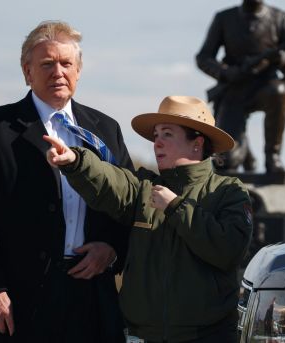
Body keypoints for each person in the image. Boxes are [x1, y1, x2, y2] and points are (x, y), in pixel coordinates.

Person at [0, 21, 132, 342]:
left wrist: (113, 249)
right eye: (46, 64)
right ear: (27, 71)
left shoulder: (106, 130)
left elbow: (128, 203)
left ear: (78, 70)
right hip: (14, 301)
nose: (57, 72)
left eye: (66, 64)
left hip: (90, 298)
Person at [44, 95, 253, 342]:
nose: (157, 143)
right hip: (144, 337)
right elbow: (112, 181)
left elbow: (228, 250)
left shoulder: (228, 191)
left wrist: (175, 206)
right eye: (156, 136)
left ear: (196, 143)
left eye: (167, 134)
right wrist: (76, 161)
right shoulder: (145, 187)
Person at [196, 0, 285, 174]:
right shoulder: (224, 18)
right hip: (234, 90)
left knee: (279, 92)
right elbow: (203, 57)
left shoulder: (281, 18)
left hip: (266, 86)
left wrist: (281, 57)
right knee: (225, 162)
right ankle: (246, 154)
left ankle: (272, 156)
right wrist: (226, 72)